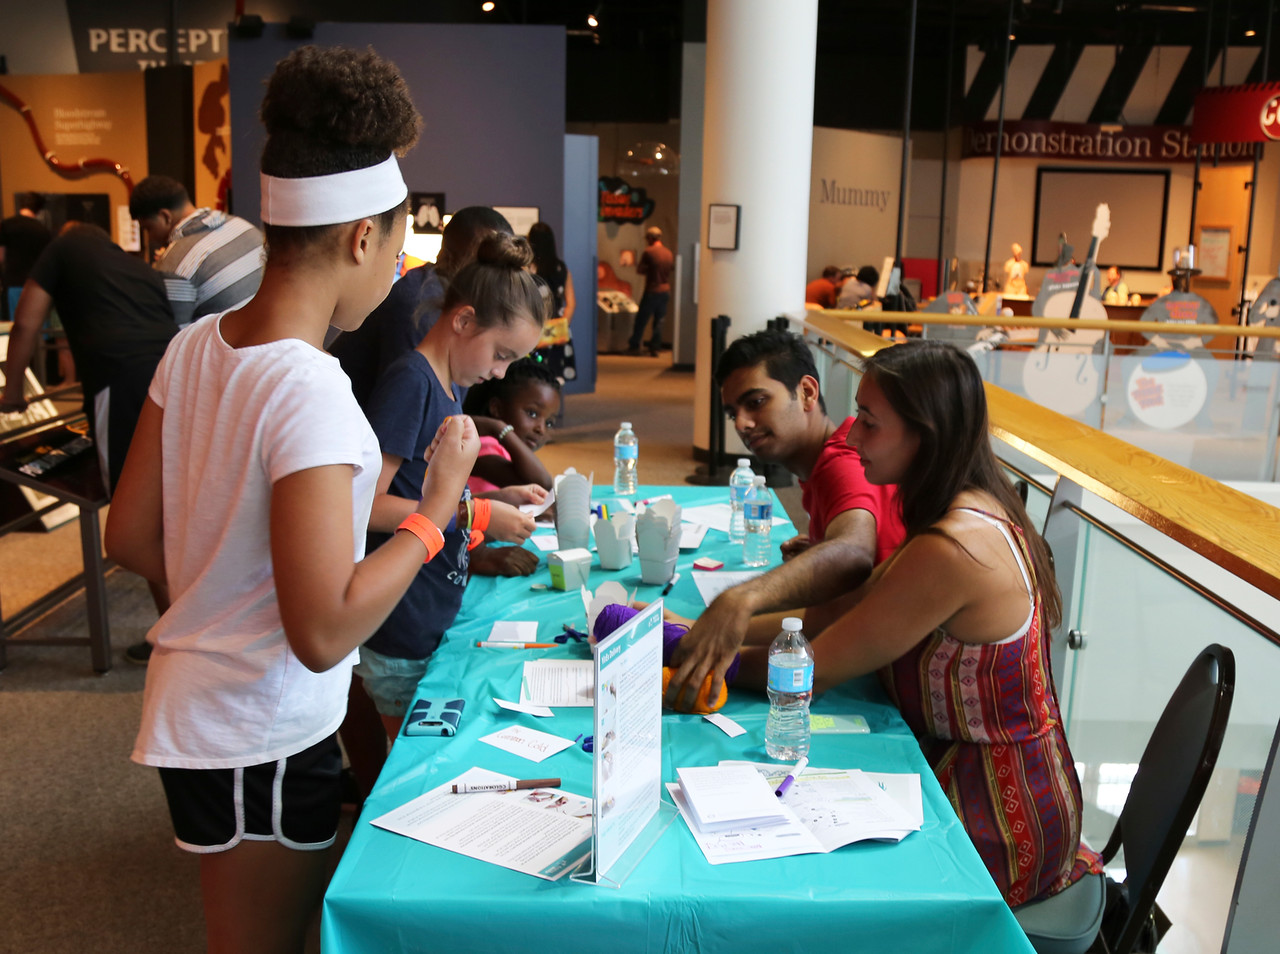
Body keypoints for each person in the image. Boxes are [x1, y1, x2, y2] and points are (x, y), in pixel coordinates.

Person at [104, 45, 478, 954]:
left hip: (213, 712)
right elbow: (323, 630)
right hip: (257, 728)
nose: (395, 272)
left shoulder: (195, 346)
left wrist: (219, 598)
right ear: (361, 239)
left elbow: (130, 534)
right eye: (398, 249)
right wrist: (434, 512)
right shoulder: (311, 389)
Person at [727, 340, 1103, 908]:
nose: (853, 438)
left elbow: (810, 670)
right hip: (979, 778)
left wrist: (704, 653)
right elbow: (841, 612)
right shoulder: (960, 508)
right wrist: (708, 629)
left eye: (870, 423)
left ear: (923, 434)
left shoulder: (953, 546)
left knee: (799, 884)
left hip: (998, 821)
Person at [356, 232, 546, 742]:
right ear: (462, 321)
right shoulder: (411, 383)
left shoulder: (450, 383)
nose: (499, 373)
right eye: (500, 354)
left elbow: (426, 489)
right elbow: (366, 506)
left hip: (431, 606)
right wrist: (477, 515)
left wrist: (491, 499)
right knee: (412, 761)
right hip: (401, 621)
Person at [665, 329, 905, 703]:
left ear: (807, 392)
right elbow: (836, 601)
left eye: (756, 402)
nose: (742, 423)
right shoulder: (820, 469)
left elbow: (854, 553)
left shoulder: (841, 464)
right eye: (733, 413)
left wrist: (740, 600)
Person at [1, 223, 178, 495]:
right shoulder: (139, 266)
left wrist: (13, 392)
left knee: (124, 488)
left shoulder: (62, 247)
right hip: (172, 373)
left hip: (120, 376)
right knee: (166, 479)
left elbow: (25, 324)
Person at [330, 205, 514, 407]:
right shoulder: (420, 308)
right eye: (485, 262)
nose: (499, 276)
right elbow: (406, 408)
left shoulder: (454, 302)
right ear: (447, 258)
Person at [129, 174, 265, 326]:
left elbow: (176, 334)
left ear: (165, 217)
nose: (150, 238)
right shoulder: (243, 226)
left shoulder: (175, 264)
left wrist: (166, 264)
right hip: (274, 333)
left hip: (234, 339)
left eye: (148, 228)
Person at [462, 356, 560, 494]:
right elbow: (542, 484)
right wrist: (500, 429)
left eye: (549, 423)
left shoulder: (510, 452)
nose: (541, 429)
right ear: (497, 408)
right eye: (532, 414)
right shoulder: (483, 446)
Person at [526, 221, 577, 382]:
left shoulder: (528, 269)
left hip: (535, 328)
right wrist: (561, 327)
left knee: (532, 375)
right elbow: (571, 303)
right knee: (556, 375)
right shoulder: (561, 268)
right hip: (558, 328)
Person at [0, 193, 51, 323]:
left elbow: (1, 256)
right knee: (37, 325)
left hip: (13, 282)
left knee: (14, 324)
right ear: (39, 210)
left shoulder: (7, 225)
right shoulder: (43, 230)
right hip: (37, 284)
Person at [627, 225, 673, 356]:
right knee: (659, 320)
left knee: (641, 320)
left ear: (650, 238)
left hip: (652, 290)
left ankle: (634, 345)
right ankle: (655, 347)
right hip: (665, 290)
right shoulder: (668, 253)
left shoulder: (649, 252)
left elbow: (640, 270)